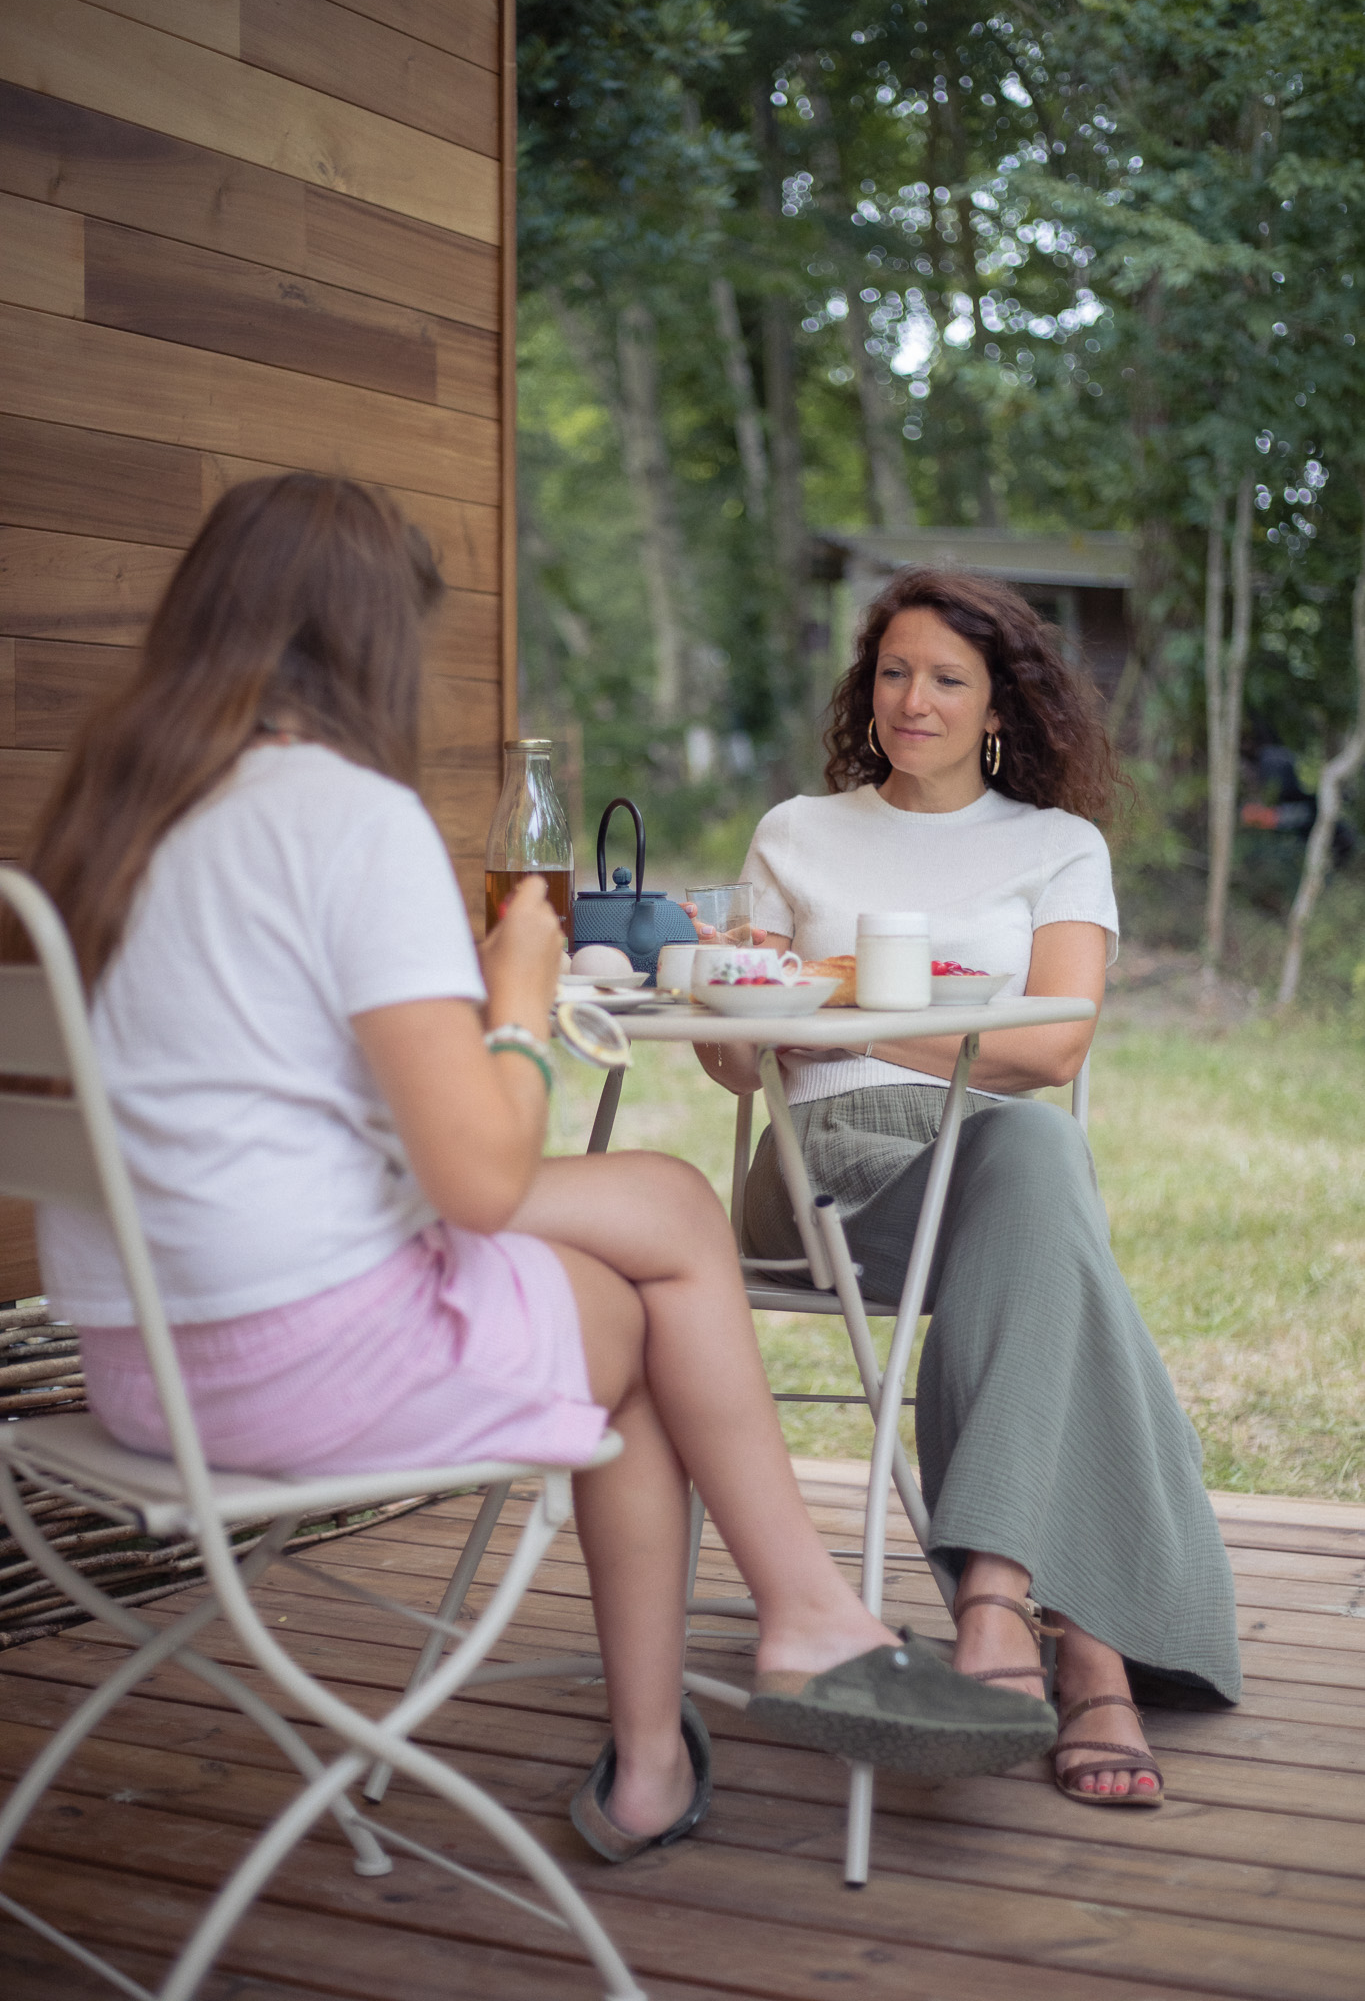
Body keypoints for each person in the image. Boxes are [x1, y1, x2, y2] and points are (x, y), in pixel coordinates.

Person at [16, 477, 1059, 1869]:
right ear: (376, 641)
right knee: (639, 1325)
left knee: (672, 1208)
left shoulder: (110, 822)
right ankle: (763, 1661)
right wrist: (512, 994)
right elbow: (480, 1184)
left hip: (140, 1361)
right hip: (288, 1366)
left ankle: (763, 1663)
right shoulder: (345, 818)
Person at [695, 566, 1242, 1806]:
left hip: (993, 1167)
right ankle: (1082, 1646)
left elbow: (1052, 1050)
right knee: (1050, 1204)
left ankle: (1005, 1601)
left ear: (999, 700)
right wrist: (747, 994)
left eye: (947, 677)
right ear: (866, 686)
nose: (914, 699)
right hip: (825, 1182)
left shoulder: (1058, 847)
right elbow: (736, 1066)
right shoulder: (797, 830)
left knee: (1037, 1162)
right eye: (894, 671)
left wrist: (855, 1013)